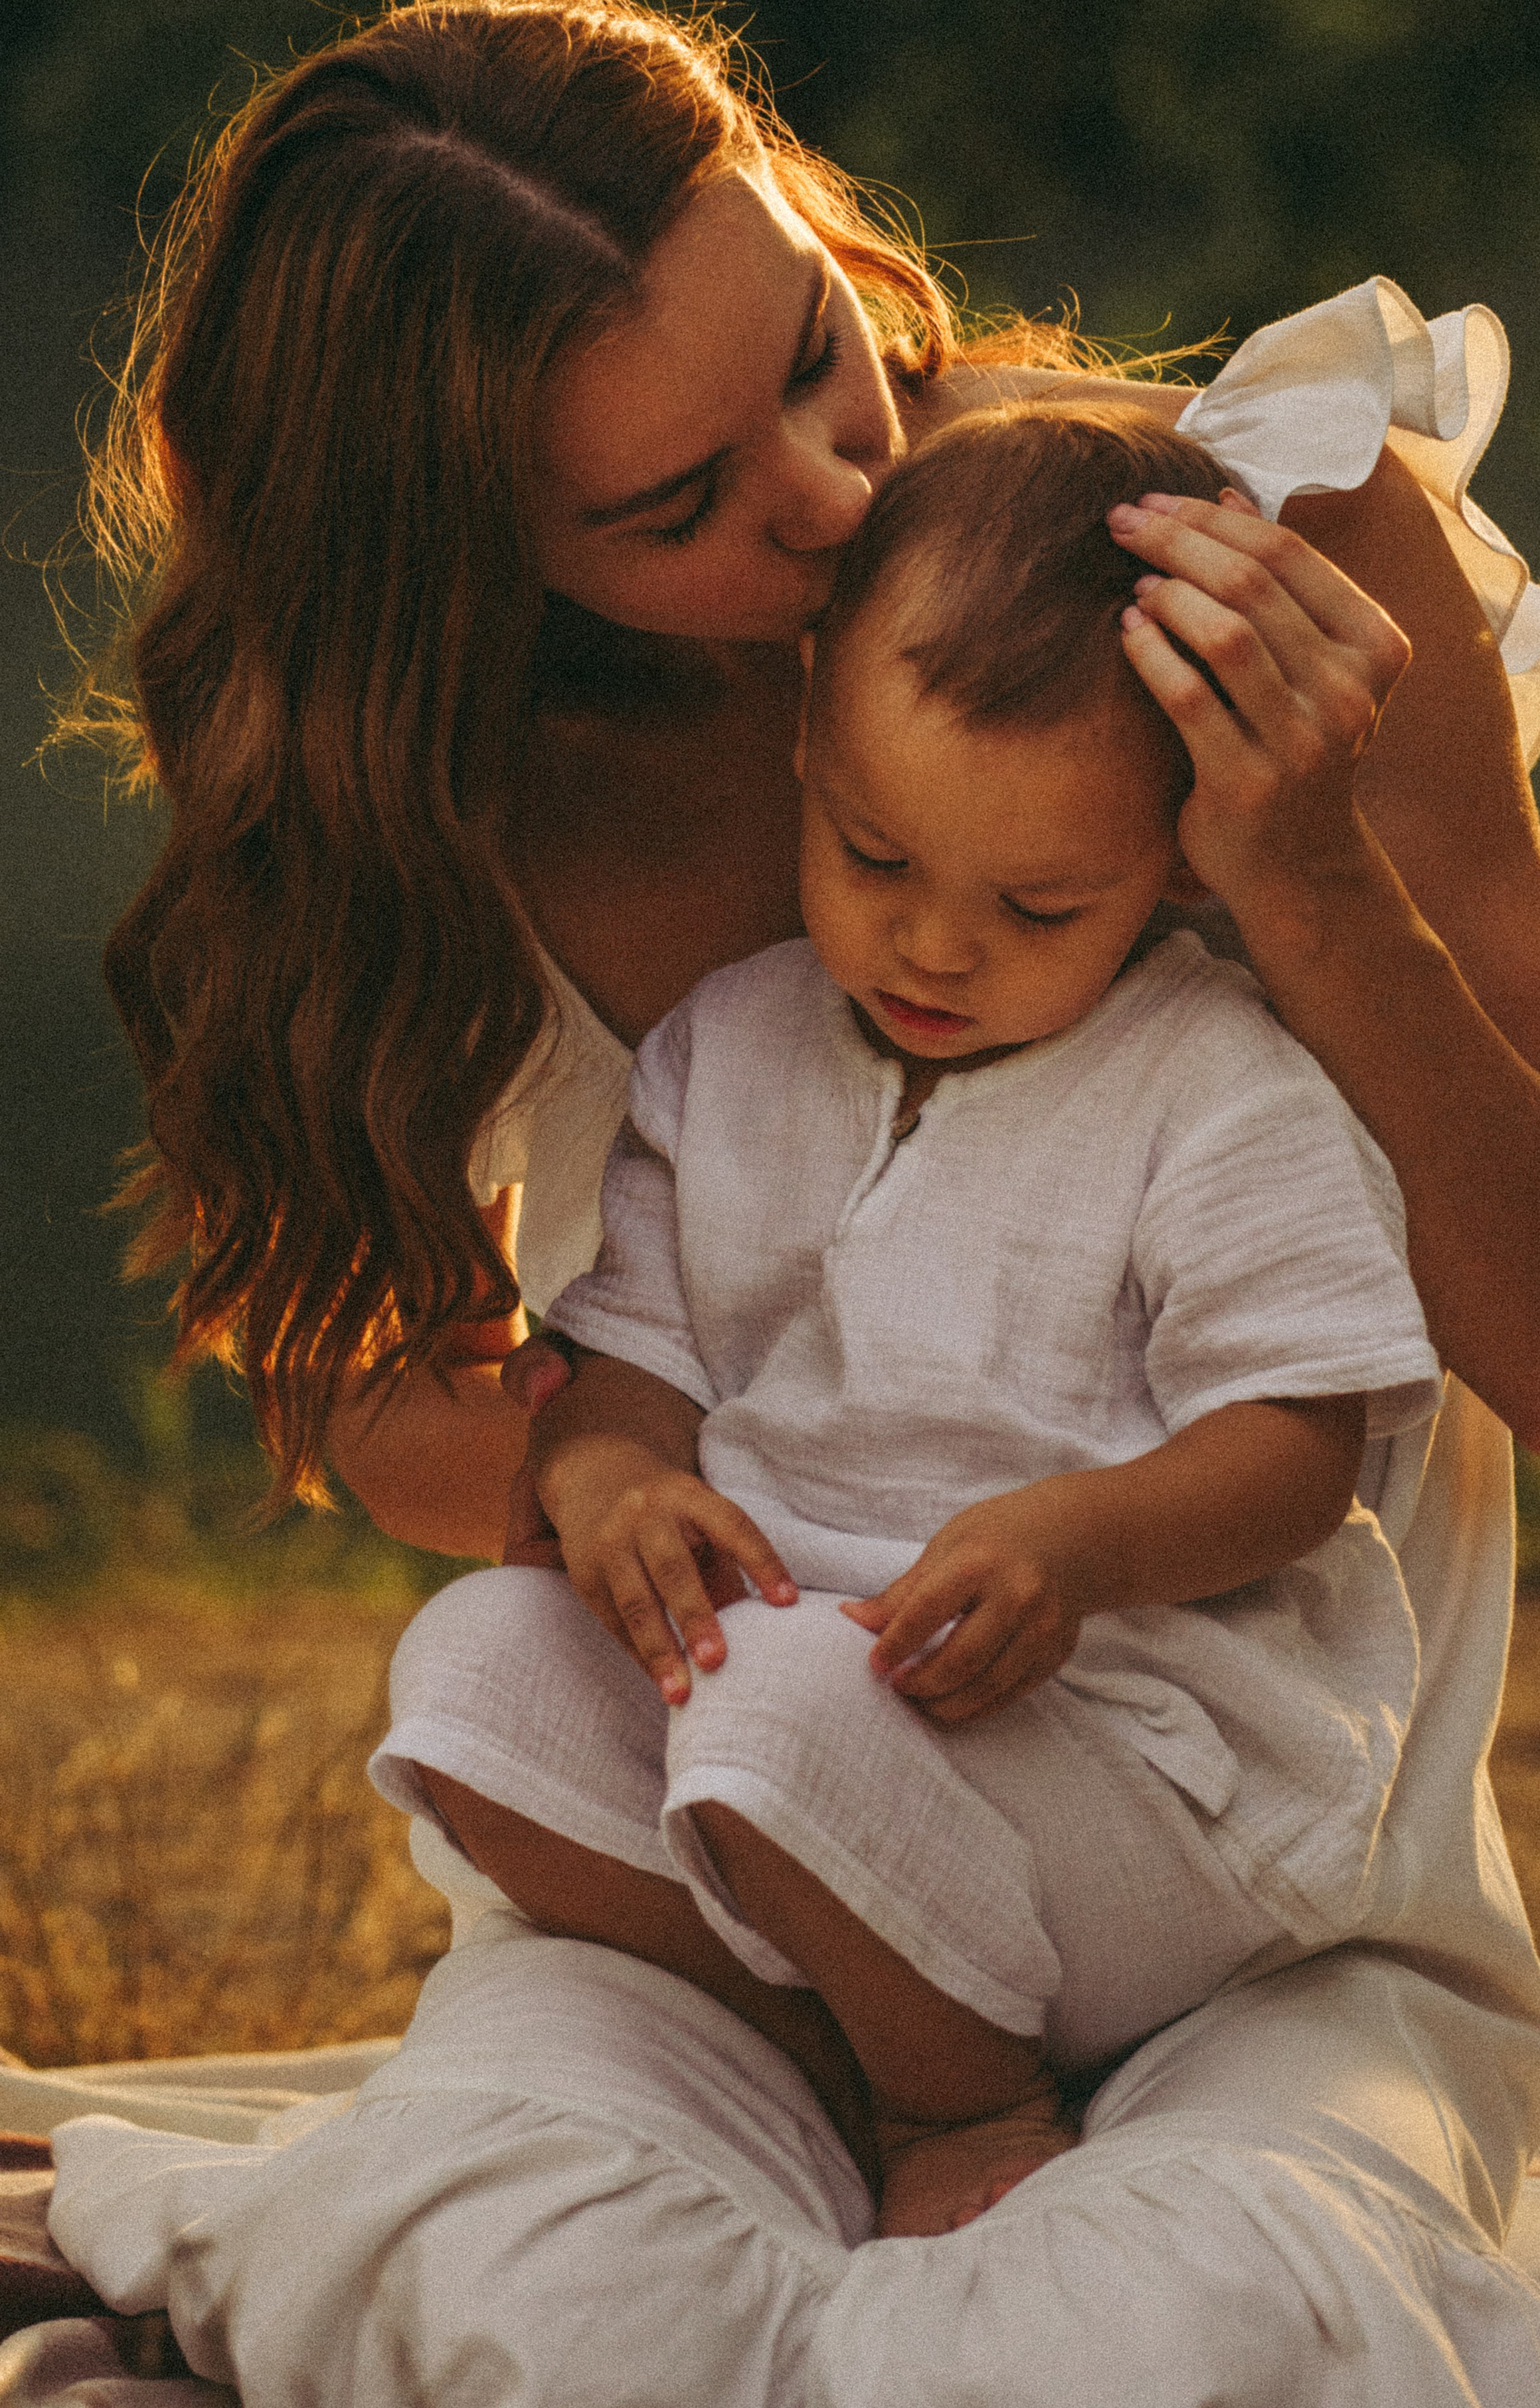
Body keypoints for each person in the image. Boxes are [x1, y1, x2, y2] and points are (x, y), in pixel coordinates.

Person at [51, 0, 1540, 2405]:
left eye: (816, 358)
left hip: (1259, 1906)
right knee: (515, 2294)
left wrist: (1306, 878)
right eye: (674, 505)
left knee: (1195, 2332)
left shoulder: (1248, 542)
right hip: (731, 1862)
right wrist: (675, 1499)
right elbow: (366, 1386)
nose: (831, 497)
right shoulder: (438, 790)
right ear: (456, 554)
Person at [491, 399, 1448, 2236]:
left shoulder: (1215, 1082)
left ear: (1177, 856)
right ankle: (847, 2010)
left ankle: (964, 2108)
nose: (932, 946)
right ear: (806, 755)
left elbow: (1300, 1447)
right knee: (472, 1683)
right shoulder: (731, 1047)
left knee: (770, 1713)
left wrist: (1073, 1545)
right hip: (808, 1696)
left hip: (1130, 1746)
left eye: (1033, 903)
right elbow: (634, 1372)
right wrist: (612, 1489)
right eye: (872, 856)